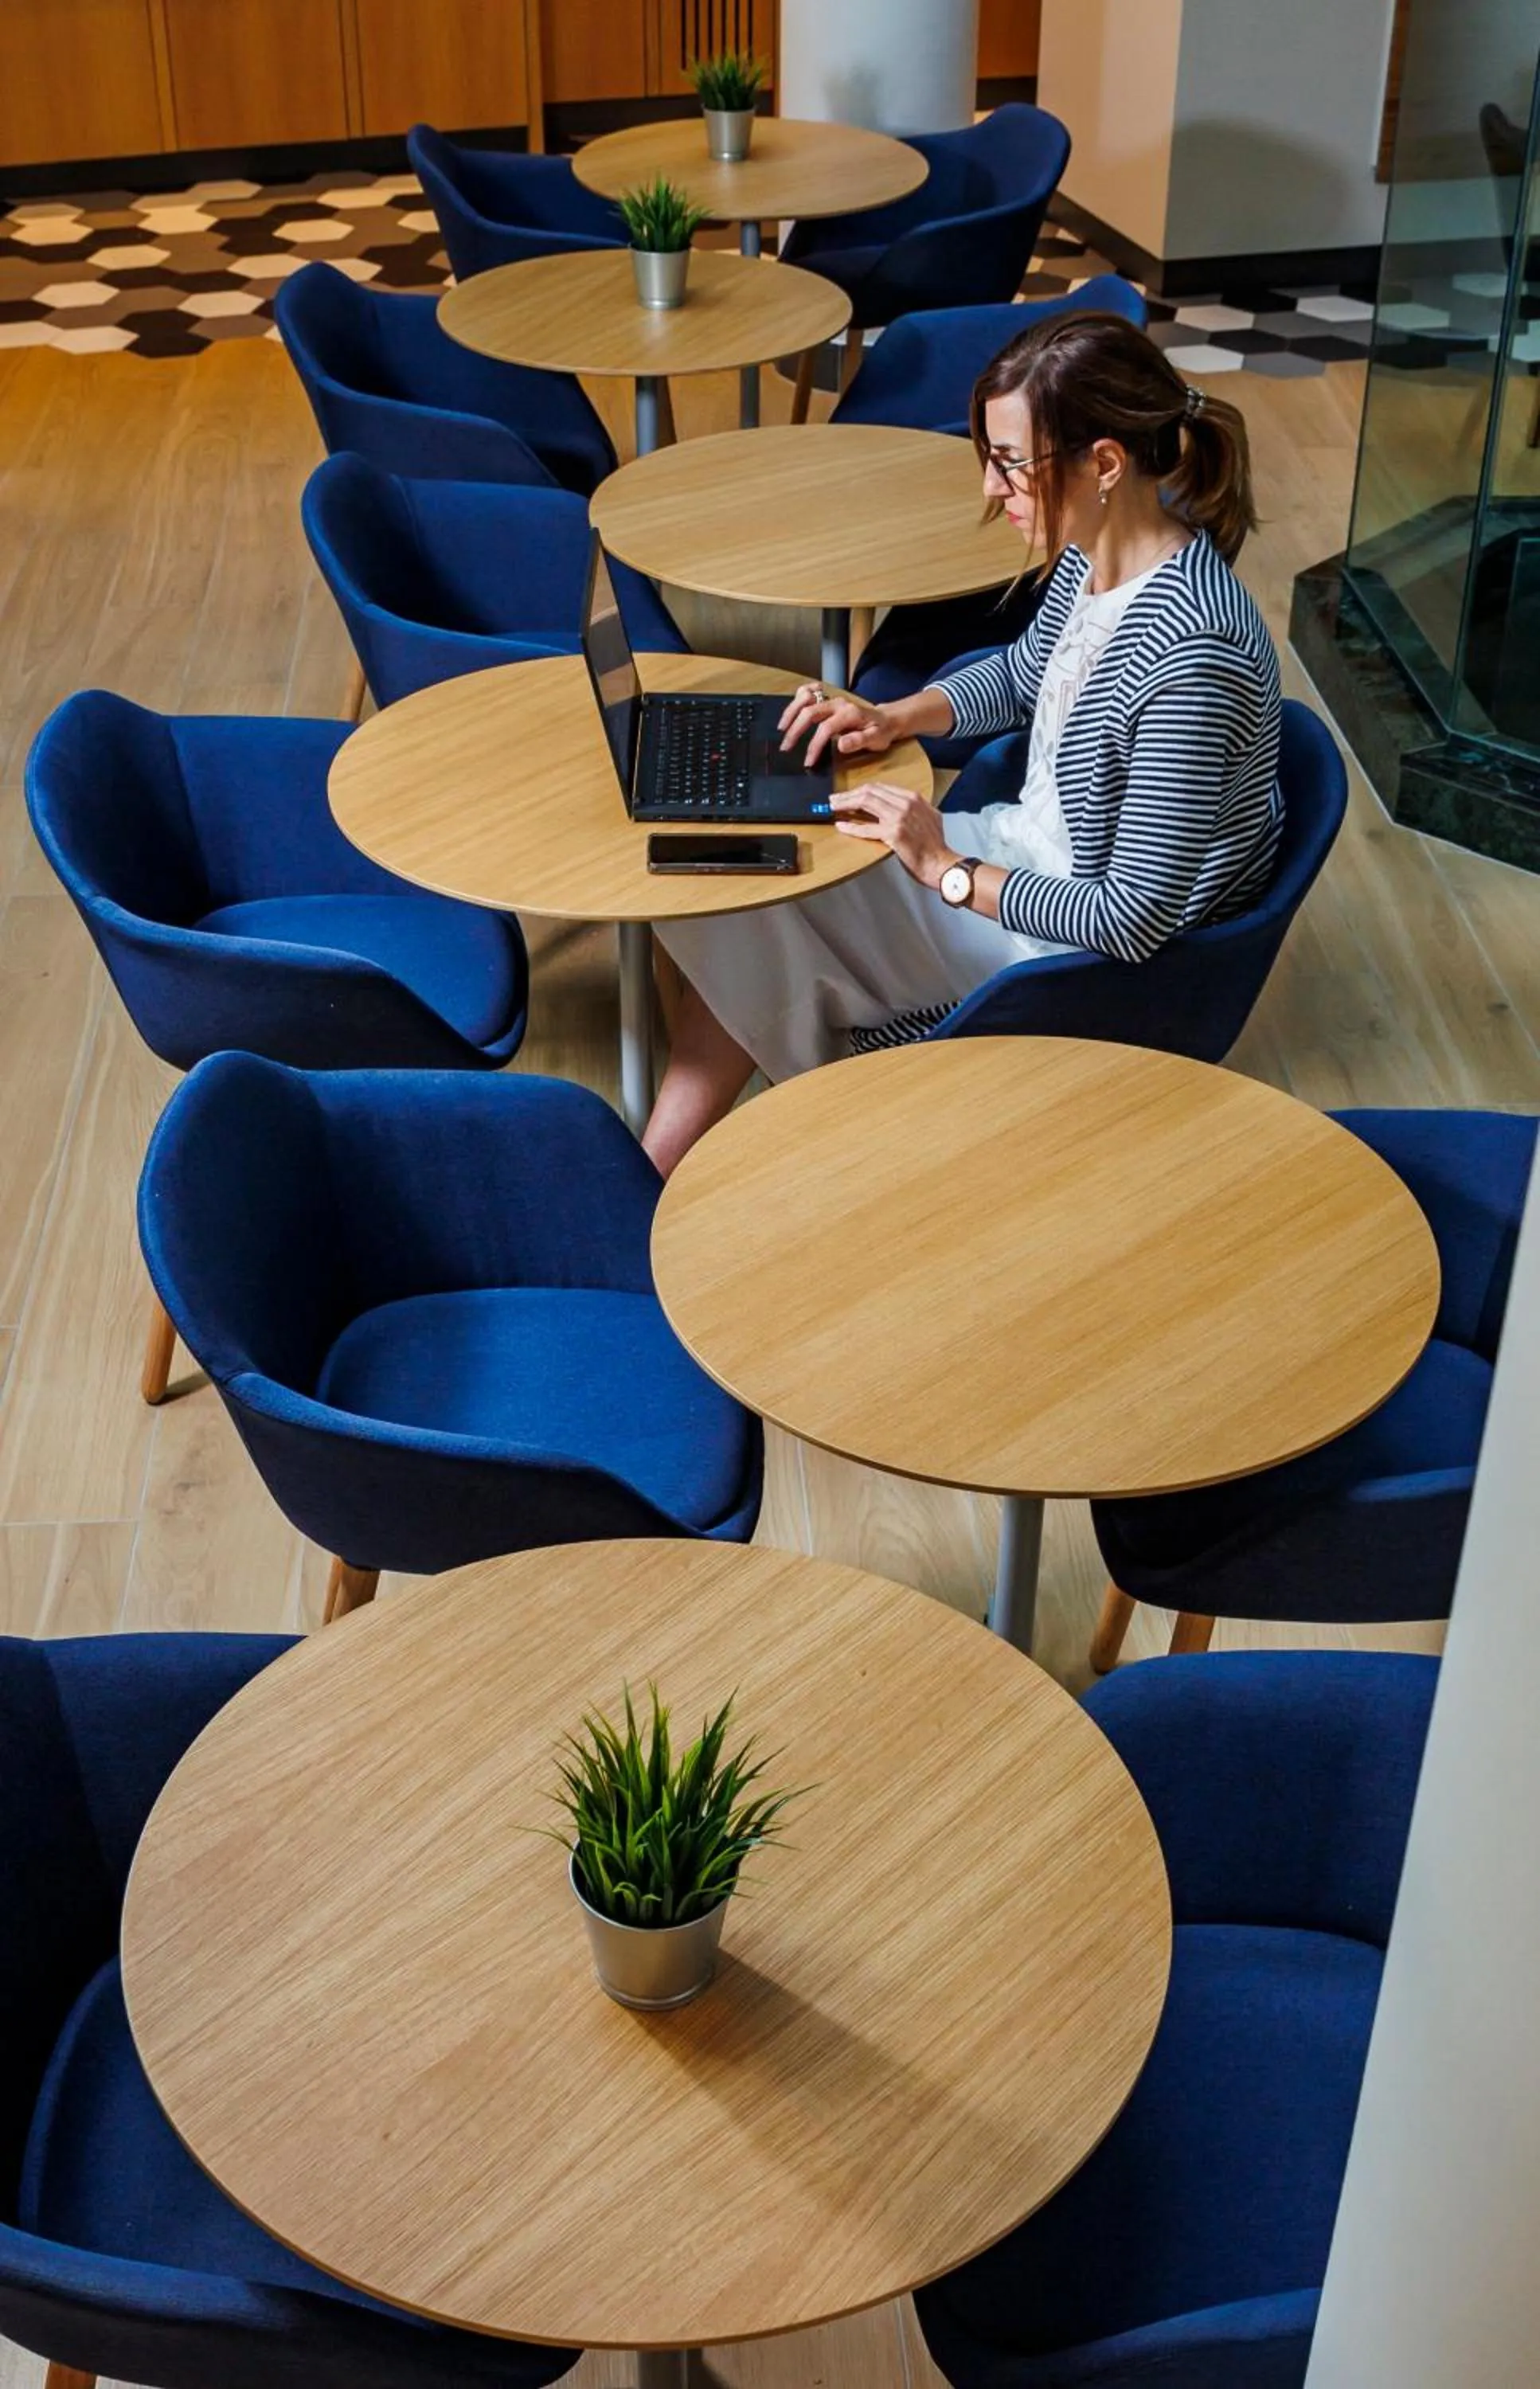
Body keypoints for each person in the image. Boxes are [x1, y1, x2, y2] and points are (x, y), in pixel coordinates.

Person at [644, 312, 1283, 1179]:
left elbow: (1127, 922)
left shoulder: (1190, 656)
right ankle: (660, 1170)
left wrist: (941, 865)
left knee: (756, 892)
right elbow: (1026, 672)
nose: (991, 488)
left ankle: (662, 1171)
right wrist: (895, 716)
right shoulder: (1095, 552)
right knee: (757, 862)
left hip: (1058, 946)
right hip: (1016, 858)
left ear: (1103, 462)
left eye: (1012, 462)